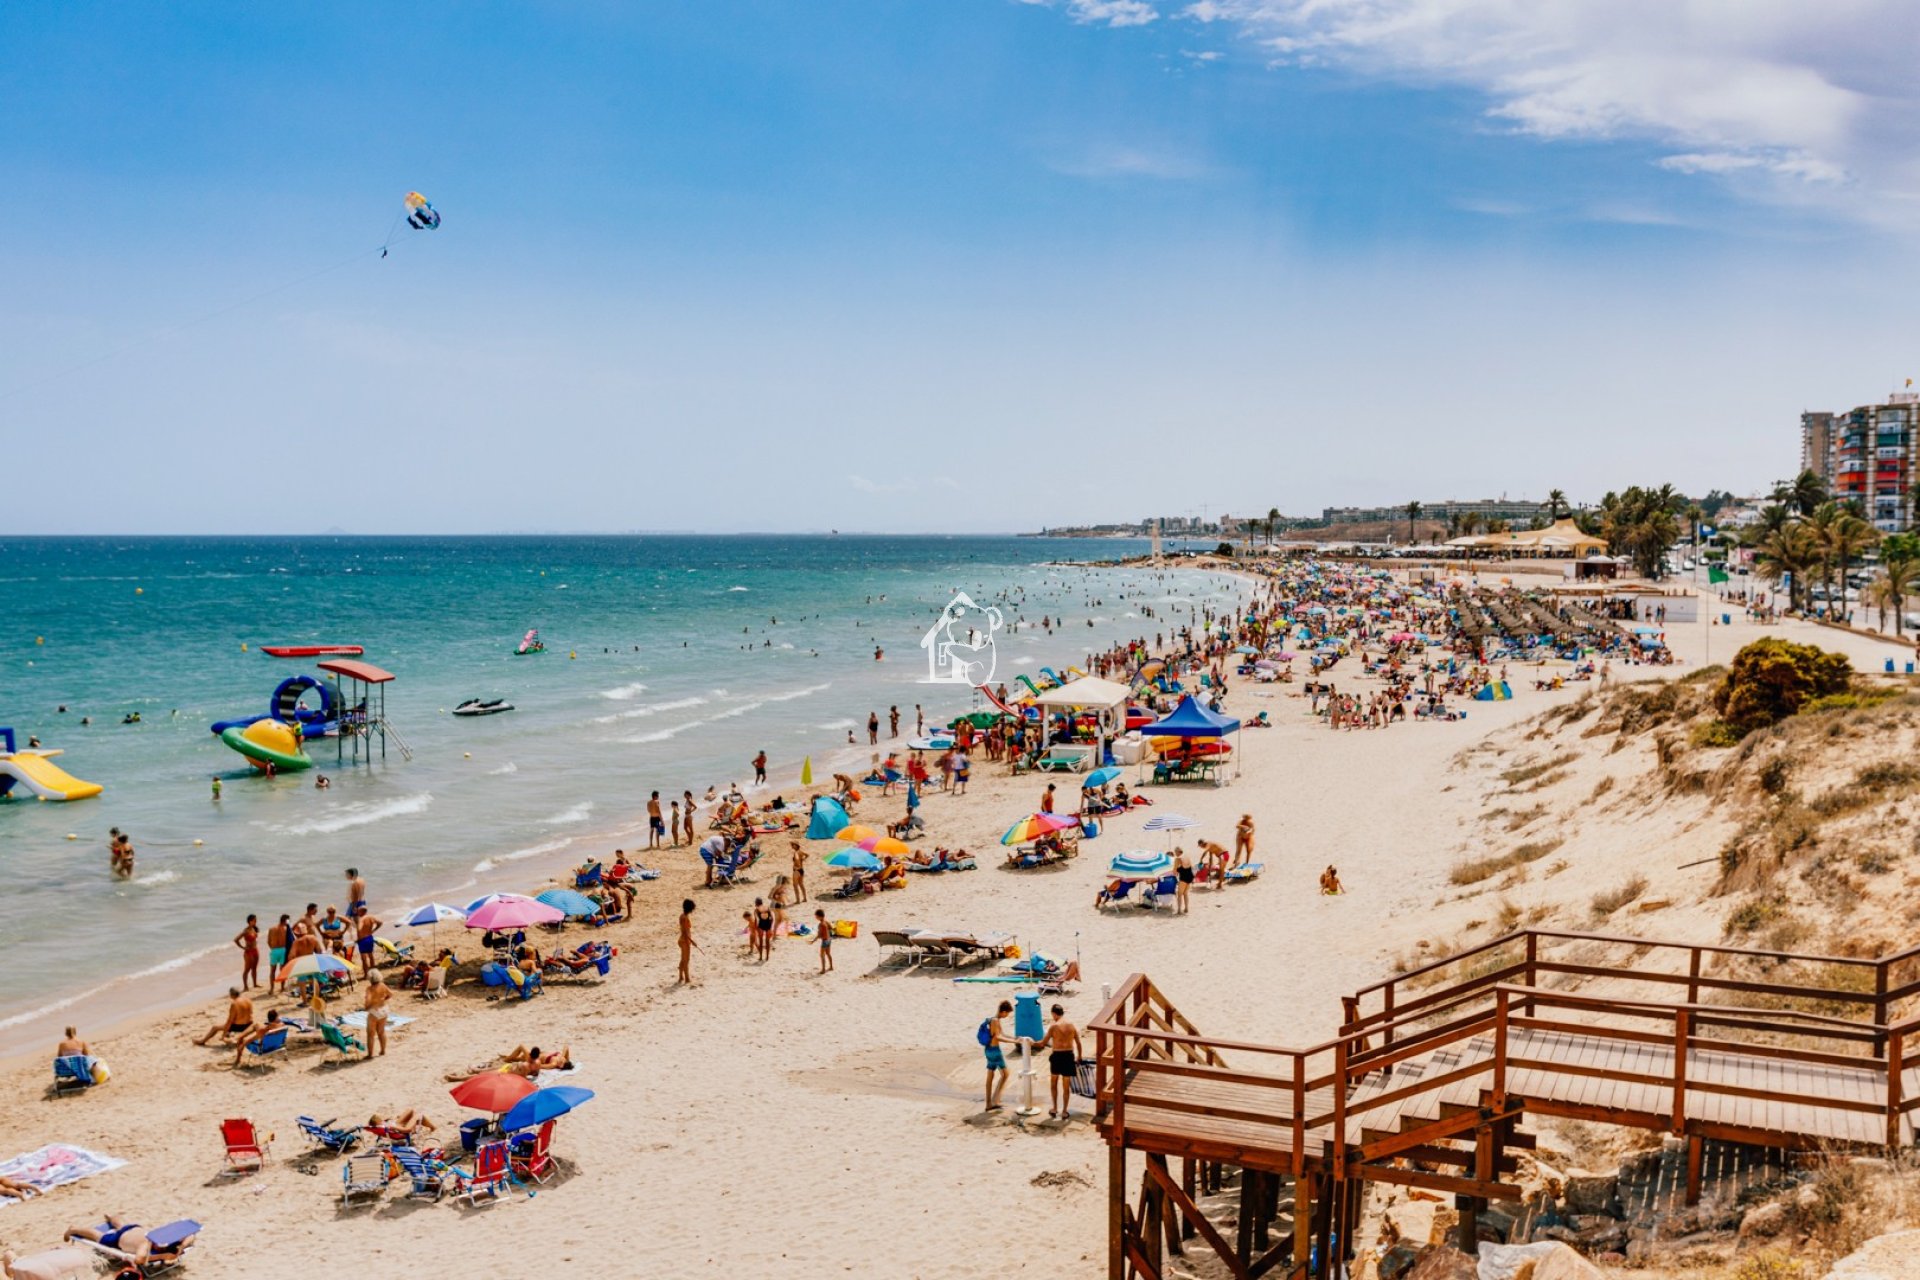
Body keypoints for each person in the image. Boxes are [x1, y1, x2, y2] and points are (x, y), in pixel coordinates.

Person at [61, 1219, 197, 1267]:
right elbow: (139, 1259)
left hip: (135, 1229)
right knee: (98, 1235)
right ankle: (74, 1230)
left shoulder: (167, 1237)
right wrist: (163, 1256)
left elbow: (191, 1234)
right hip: (116, 1240)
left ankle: (110, 1217)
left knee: (120, 1224)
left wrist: (181, 1248)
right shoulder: (147, 1244)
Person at [1041, 1004, 1084, 1120]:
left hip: (1057, 1056)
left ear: (1054, 1014)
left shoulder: (1053, 1026)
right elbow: (1079, 1043)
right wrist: (1079, 1056)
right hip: (1069, 1056)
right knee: (1066, 1086)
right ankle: (1064, 1111)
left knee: (1054, 1083)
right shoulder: (1071, 1025)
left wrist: (1029, 1043)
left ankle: (1054, 1108)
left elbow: (1042, 1043)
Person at [982, 1000, 1012, 1112]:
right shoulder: (995, 1021)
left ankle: (989, 1103)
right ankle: (995, 1100)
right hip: (995, 1051)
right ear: (1003, 1011)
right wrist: (1013, 1042)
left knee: (990, 1076)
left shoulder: (994, 1020)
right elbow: (998, 1037)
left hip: (988, 1050)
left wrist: (1015, 1038)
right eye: (1007, 1013)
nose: (1007, 1015)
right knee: (1005, 1074)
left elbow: (1003, 1034)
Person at [363, 969, 391, 1058]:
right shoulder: (383, 985)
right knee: (381, 1032)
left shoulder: (369, 989)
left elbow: (368, 1001)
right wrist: (383, 999)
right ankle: (383, 1050)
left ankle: (370, 1054)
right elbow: (390, 994)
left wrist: (366, 1008)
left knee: (370, 1034)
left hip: (374, 1011)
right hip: (384, 1009)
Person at [266, 914, 292, 994]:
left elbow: (268, 941)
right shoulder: (286, 929)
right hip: (283, 950)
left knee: (272, 971)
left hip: (274, 950)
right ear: (286, 921)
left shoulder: (271, 929)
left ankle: (271, 989)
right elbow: (290, 941)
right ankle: (282, 988)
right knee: (283, 970)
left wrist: (273, 948)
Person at [234, 914, 260, 990]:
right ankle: (245, 986)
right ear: (250, 921)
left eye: (256, 920)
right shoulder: (246, 931)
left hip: (255, 950)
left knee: (254, 968)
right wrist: (243, 947)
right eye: (254, 920)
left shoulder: (254, 929)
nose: (256, 921)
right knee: (247, 969)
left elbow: (254, 939)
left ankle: (255, 984)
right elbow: (236, 940)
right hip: (249, 952)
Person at [354, 911, 384, 977]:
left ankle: (366, 975)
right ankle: (374, 973)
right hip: (369, 937)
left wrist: (357, 938)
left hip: (363, 940)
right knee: (371, 956)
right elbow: (380, 923)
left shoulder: (361, 919)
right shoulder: (371, 917)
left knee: (364, 958)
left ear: (360, 912)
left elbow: (359, 929)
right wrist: (373, 930)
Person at [677, 899, 699, 984]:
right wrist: (691, 942)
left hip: (683, 940)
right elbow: (685, 932)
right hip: (685, 940)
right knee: (686, 960)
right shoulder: (685, 918)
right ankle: (687, 978)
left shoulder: (683, 916)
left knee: (683, 959)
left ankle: (680, 977)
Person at [814, 908, 833, 973]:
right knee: (828, 953)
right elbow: (831, 928)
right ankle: (831, 967)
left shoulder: (820, 924)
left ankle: (823, 969)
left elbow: (819, 935)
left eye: (816, 916)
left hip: (824, 940)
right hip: (829, 939)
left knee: (822, 955)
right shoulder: (826, 922)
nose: (815, 917)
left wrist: (813, 940)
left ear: (819, 916)